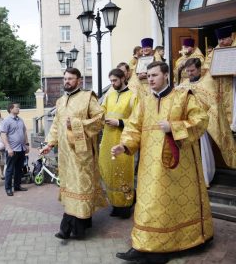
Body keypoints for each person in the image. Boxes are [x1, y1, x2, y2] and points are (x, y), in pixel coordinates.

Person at [112, 61, 213, 263]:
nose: (150, 79)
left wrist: (174, 127)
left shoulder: (183, 97)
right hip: (149, 166)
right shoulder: (145, 100)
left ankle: (165, 246)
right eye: (148, 76)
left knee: (169, 206)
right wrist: (124, 145)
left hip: (177, 166)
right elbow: (133, 127)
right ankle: (141, 245)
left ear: (166, 75)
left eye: (154, 75)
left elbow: (201, 120)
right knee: (147, 203)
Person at [41, 67, 107, 240]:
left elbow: (100, 119)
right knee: (71, 189)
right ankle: (82, 223)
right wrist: (50, 143)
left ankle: (70, 229)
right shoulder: (60, 101)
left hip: (82, 154)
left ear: (79, 81)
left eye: (70, 79)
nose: (67, 82)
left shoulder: (87, 97)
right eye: (65, 79)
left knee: (80, 188)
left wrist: (78, 123)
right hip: (65, 155)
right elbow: (56, 124)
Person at [178, 58, 236, 186]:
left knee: (202, 151)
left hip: (202, 123)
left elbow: (213, 103)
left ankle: (204, 178)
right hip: (187, 122)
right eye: (187, 71)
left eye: (192, 70)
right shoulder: (185, 82)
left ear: (199, 69)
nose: (190, 73)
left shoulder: (208, 81)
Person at [99, 68, 138, 219]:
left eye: (115, 80)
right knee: (109, 171)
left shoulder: (133, 96)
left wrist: (120, 122)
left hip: (123, 140)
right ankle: (114, 204)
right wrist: (101, 117)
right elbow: (101, 110)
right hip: (108, 137)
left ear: (123, 78)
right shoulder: (110, 94)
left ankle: (126, 205)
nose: (113, 83)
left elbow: (137, 120)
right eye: (111, 81)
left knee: (123, 172)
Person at [203, 25, 236, 132]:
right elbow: (206, 67)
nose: (221, 42)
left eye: (224, 39)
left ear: (231, 37)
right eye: (219, 39)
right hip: (219, 85)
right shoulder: (215, 51)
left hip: (234, 85)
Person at [0, 103, 29, 196]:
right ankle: (8, 188)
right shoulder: (6, 121)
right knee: (9, 169)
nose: (18, 108)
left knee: (18, 169)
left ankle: (17, 186)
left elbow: (24, 132)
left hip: (21, 149)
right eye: (16, 107)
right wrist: (8, 148)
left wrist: (27, 145)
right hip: (12, 150)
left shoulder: (20, 120)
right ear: (11, 109)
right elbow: (3, 135)